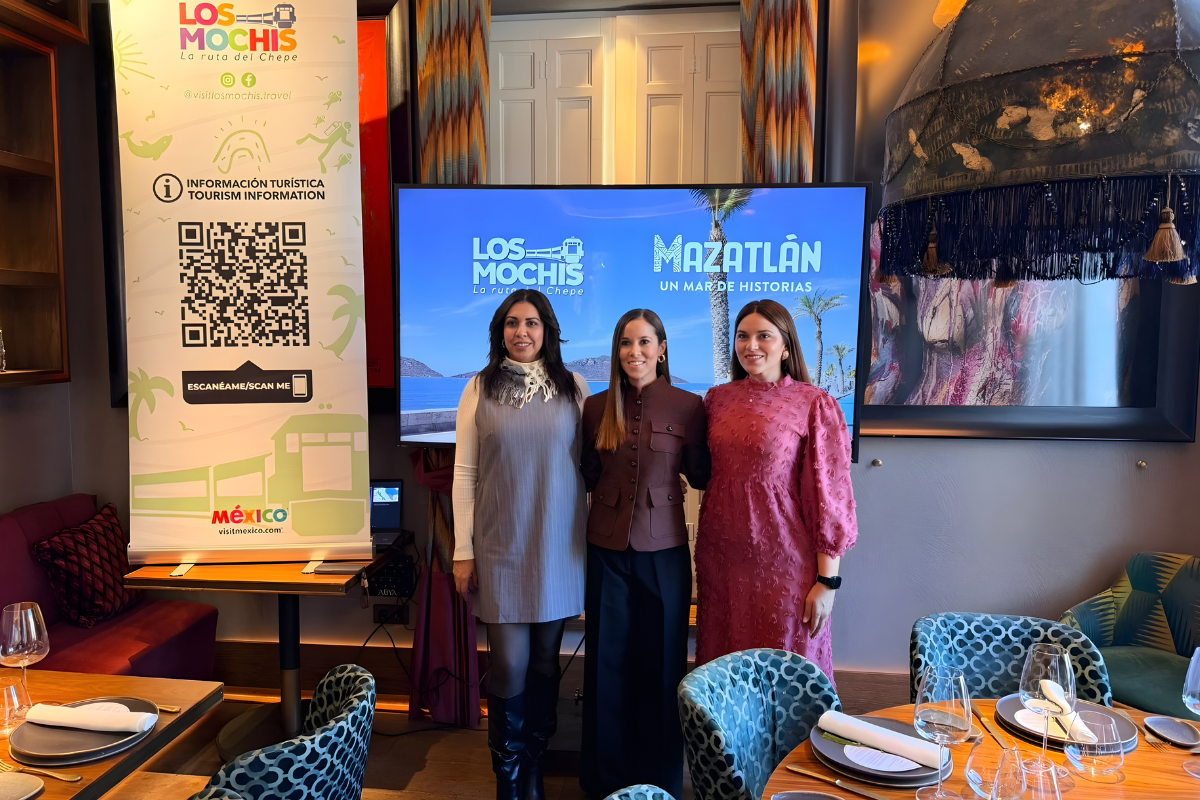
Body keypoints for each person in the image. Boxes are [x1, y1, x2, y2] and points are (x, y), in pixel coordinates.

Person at [452, 290, 591, 800]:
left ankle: (533, 767)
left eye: (531, 323)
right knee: (509, 664)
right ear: (500, 331)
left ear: (547, 330)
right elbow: (464, 473)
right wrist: (462, 551)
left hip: (557, 545)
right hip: (498, 545)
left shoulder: (575, 387)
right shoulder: (477, 387)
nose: (521, 332)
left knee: (546, 663)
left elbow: (590, 469)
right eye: (512, 323)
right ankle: (507, 779)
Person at [578, 309, 710, 800]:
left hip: (666, 553)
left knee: (663, 665)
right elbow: (589, 472)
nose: (635, 352)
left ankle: (659, 782)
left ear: (662, 348)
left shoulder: (689, 406)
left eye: (644, 342)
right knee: (606, 664)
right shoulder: (595, 407)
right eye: (626, 343)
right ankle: (605, 783)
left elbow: (700, 473)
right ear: (617, 350)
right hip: (606, 549)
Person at [695, 298, 858, 683]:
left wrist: (827, 582)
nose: (750, 345)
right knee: (724, 669)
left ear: (786, 346)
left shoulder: (814, 403)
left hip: (785, 563)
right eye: (742, 336)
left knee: (788, 670)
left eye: (763, 336)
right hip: (722, 560)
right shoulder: (716, 400)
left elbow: (829, 497)